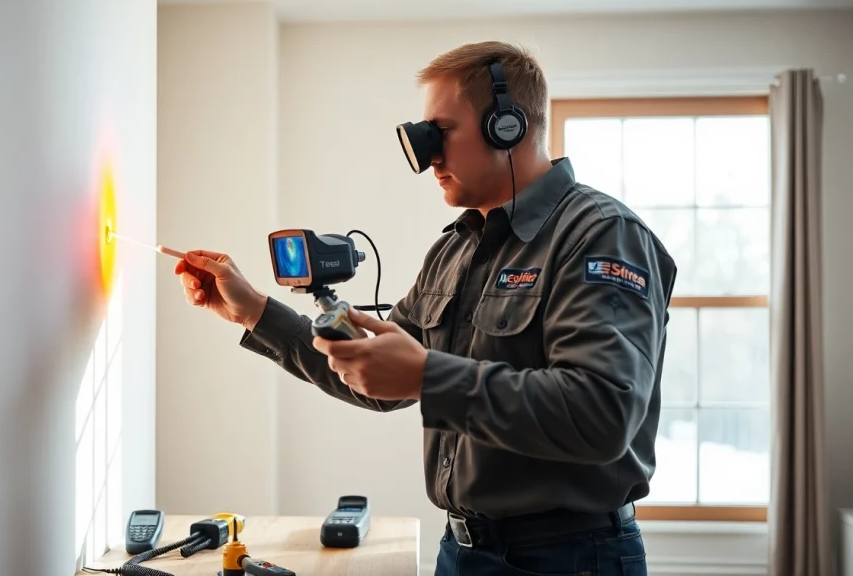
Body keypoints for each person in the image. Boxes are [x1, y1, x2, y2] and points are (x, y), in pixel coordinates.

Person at [175, 40, 677, 576]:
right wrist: (254, 311)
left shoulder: (600, 235)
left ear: (507, 125)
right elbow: (373, 373)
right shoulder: (454, 248)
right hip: (461, 550)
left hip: (569, 556)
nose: (427, 156)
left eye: (440, 133)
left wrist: (428, 377)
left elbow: (602, 413)